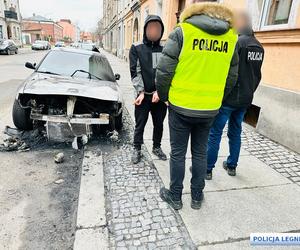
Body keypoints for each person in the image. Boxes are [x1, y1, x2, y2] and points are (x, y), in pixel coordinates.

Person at [155, 0, 239, 210]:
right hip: (209, 108)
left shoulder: (182, 31)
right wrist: (217, 98)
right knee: (200, 153)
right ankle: (196, 196)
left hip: (180, 106)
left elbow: (164, 72)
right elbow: (232, 77)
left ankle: (175, 197)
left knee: (177, 153)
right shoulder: (231, 37)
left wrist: (165, 96)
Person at [206, 11, 264, 180]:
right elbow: (257, 76)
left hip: (230, 99)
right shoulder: (259, 47)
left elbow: (228, 72)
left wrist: (221, 94)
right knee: (235, 132)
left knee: (215, 133)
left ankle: (207, 169)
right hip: (245, 99)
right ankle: (232, 165)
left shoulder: (237, 43)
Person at [129, 15, 167, 164]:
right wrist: (140, 91)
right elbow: (135, 71)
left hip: (159, 96)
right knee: (140, 123)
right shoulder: (137, 48)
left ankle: (156, 147)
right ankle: (137, 148)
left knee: (159, 123)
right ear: (145, 29)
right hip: (143, 96)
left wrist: (160, 90)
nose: (154, 30)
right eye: (151, 27)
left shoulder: (164, 49)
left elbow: (163, 71)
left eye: (157, 28)